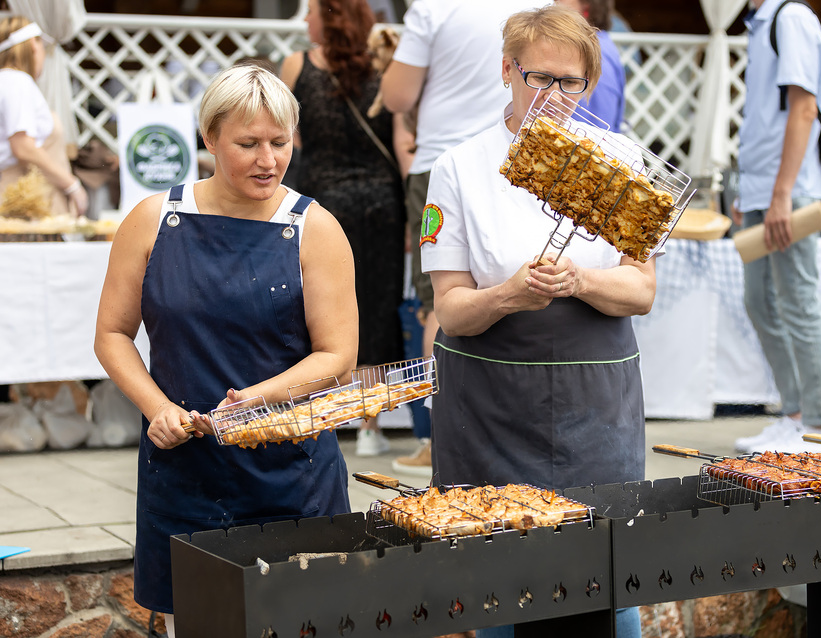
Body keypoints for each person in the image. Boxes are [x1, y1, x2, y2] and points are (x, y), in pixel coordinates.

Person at [94, 63, 357, 636]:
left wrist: (255, 402)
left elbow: (336, 354)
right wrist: (156, 407)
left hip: (293, 476)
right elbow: (112, 334)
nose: (268, 159)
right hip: (184, 472)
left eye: (280, 143)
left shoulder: (316, 229)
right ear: (209, 138)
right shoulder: (151, 220)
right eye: (248, 144)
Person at [420, 6, 649, 635]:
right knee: (498, 578)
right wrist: (508, 295)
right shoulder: (458, 168)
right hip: (492, 406)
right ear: (505, 70)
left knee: (607, 570)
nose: (552, 96)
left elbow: (640, 290)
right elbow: (451, 309)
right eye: (537, 78)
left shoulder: (619, 161)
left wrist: (580, 279)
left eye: (569, 83)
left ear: (590, 84)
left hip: (595, 404)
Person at [381, 0, 545, 476]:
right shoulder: (537, 6)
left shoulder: (433, 8)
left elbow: (396, 97)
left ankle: (439, 435)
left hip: (444, 157)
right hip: (526, 151)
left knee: (442, 303)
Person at [280, 0, 407, 457]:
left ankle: (325, 416)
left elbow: (288, 136)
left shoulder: (298, 65)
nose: (305, 18)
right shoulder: (382, 65)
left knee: (318, 311)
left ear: (328, 17)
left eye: (310, 9)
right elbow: (399, 136)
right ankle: (371, 428)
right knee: (374, 312)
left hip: (323, 205)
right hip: (381, 203)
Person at [731, 0, 821, 455]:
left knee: (798, 304)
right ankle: (793, 416)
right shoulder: (765, 21)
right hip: (764, 190)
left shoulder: (790, 17)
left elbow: (804, 109)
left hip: (787, 191)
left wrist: (781, 193)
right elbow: (764, 117)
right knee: (760, 301)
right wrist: (748, 190)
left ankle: (816, 425)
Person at [0, 17, 88, 218]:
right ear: (33, 45)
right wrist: (72, 185)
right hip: (26, 201)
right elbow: (23, 147)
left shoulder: (5, 81)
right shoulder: (17, 82)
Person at [555, 0, 626, 132]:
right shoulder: (598, 45)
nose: (554, 4)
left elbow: (594, 128)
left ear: (586, 7)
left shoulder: (593, 51)